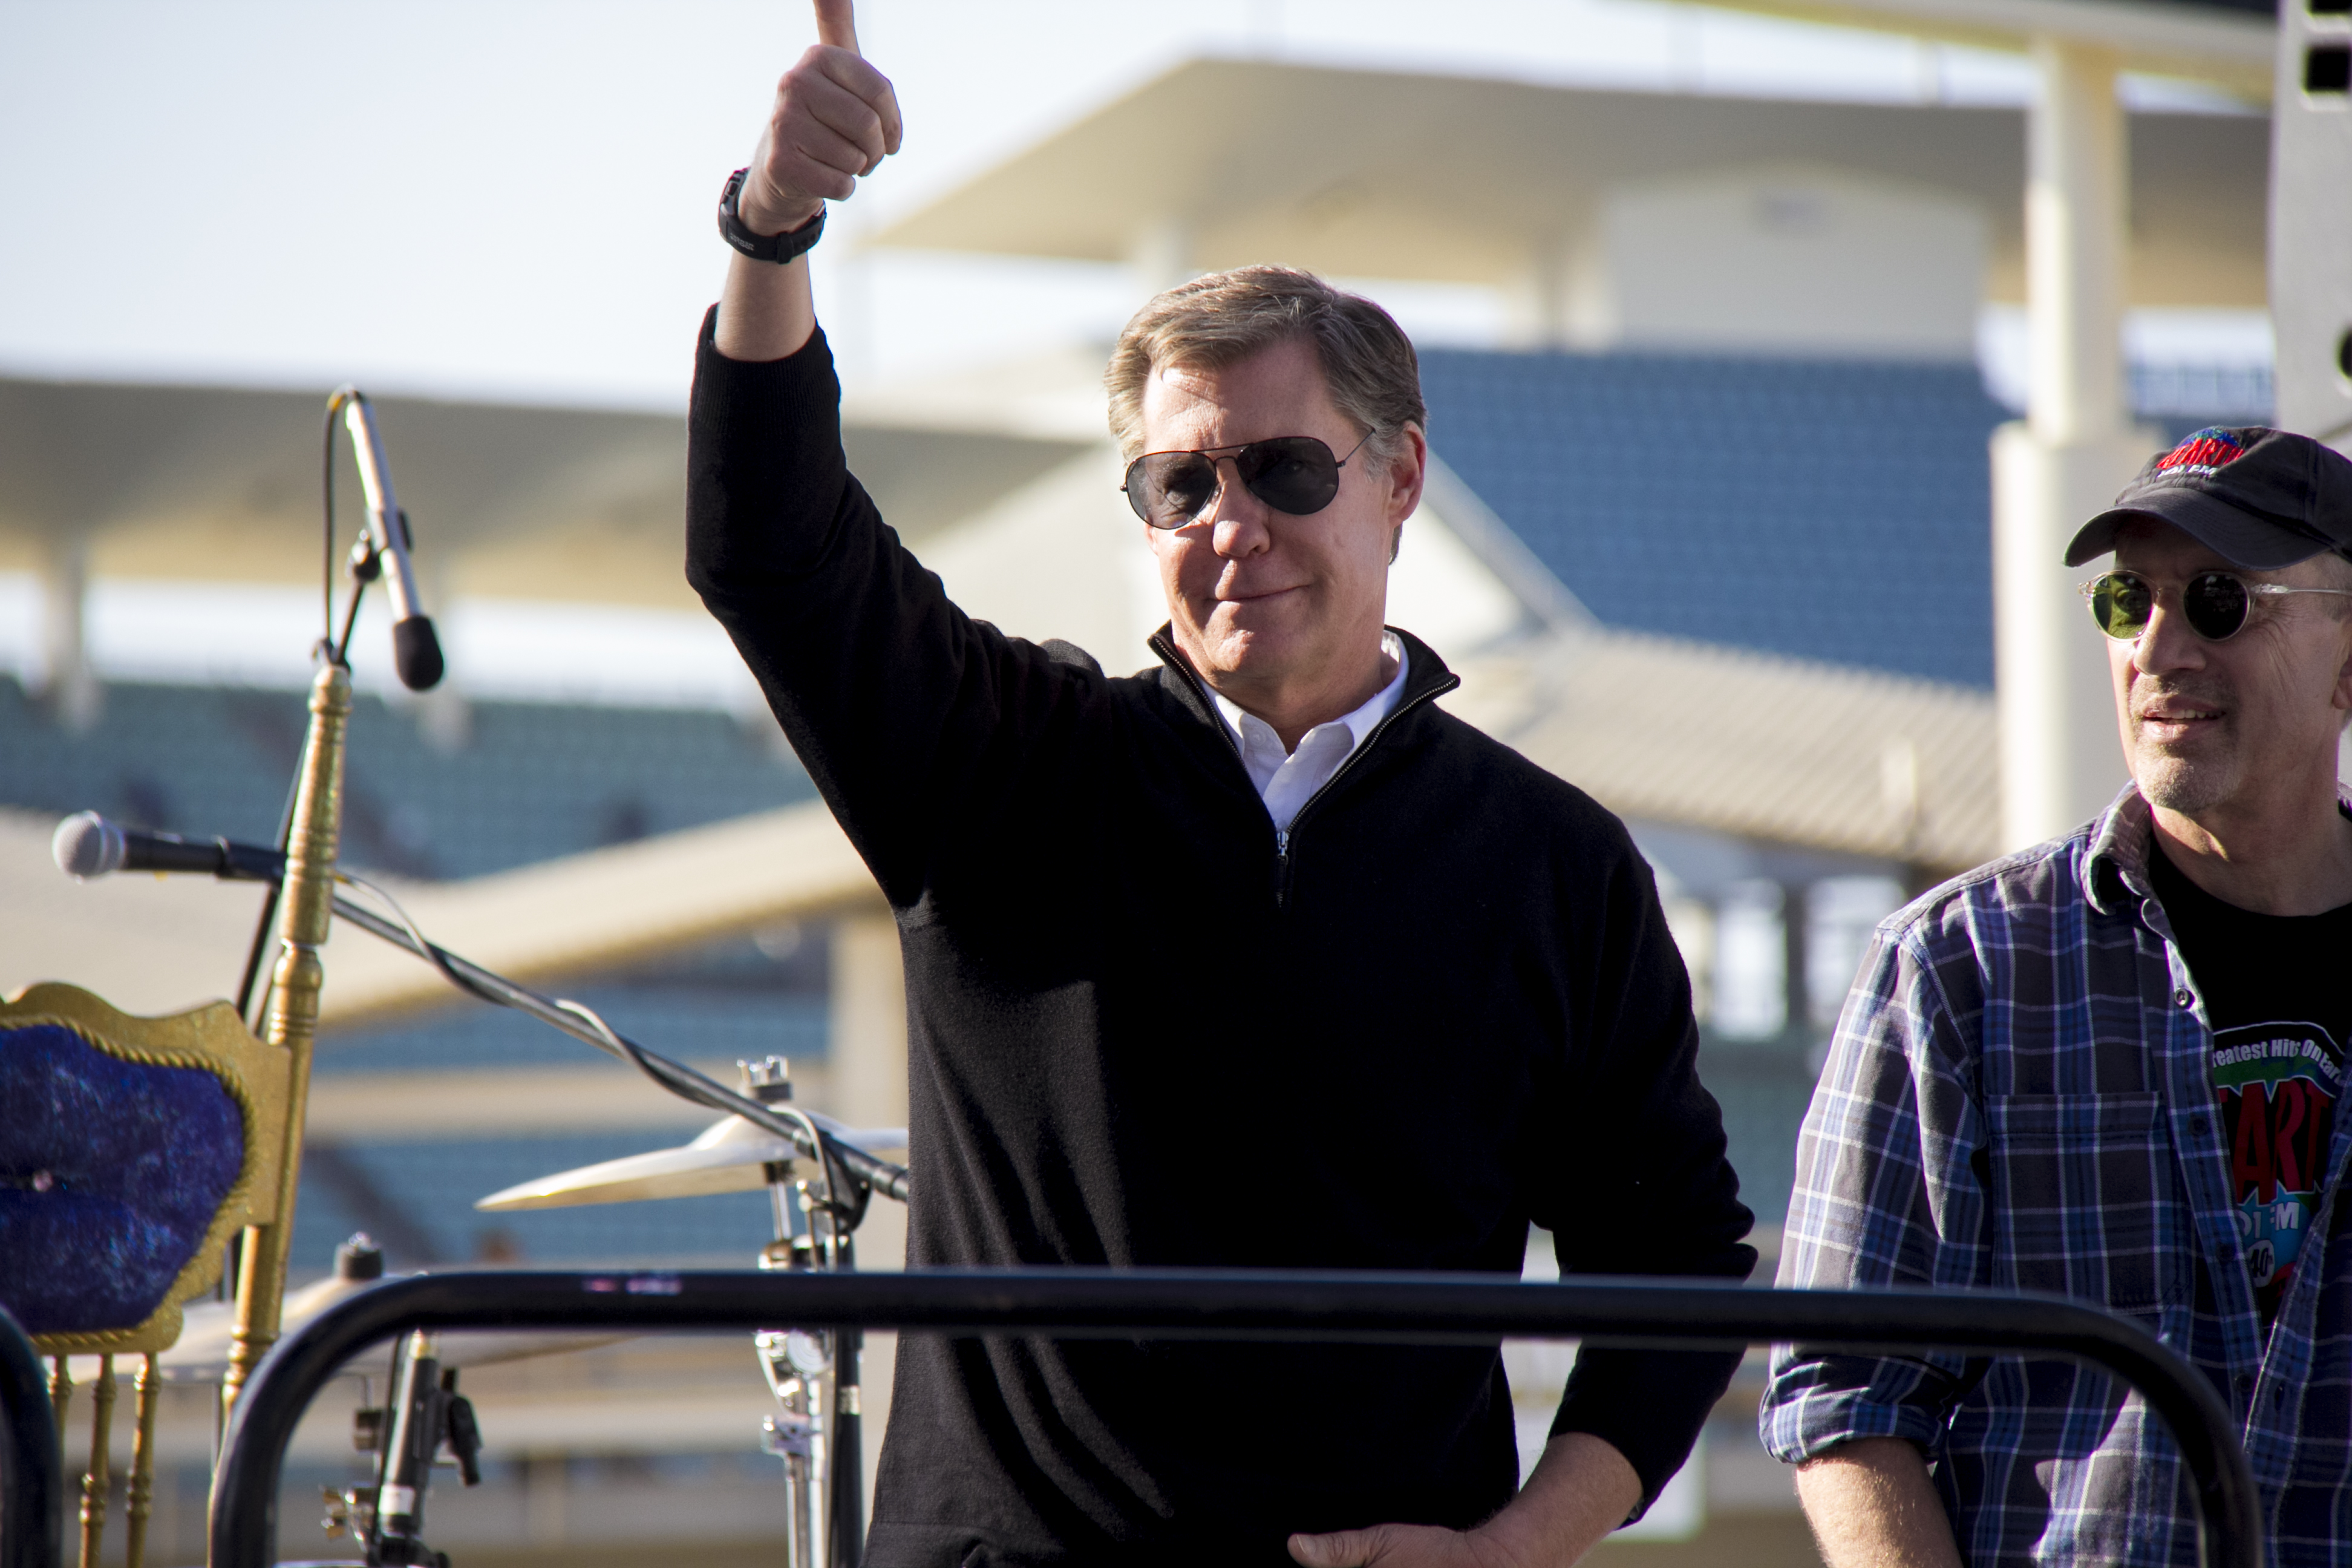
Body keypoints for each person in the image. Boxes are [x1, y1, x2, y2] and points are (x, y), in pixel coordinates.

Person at [688, 5, 1754, 1564]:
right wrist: (771, 228)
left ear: (1398, 479)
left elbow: (1674, 1265)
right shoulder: (1001, 762)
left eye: (1285, 469)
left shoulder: (1557, 864)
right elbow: (772, 552)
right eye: (1178, 482)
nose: (1230, 519)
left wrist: (1512, 1550)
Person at [1761, 424, 2352, 1567]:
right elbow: (1844, 1395)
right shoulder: (1957, 967)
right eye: (2130, 602)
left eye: (2220, 601)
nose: (2160, 647)